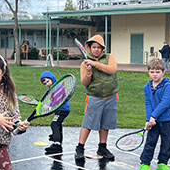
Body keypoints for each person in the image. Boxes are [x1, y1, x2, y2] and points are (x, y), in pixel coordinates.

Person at [75, 34, 117, 162]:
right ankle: (80, 148)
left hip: (110, 96)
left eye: (99, 47)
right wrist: (88, 70)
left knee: (106, 124)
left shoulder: (109, 57)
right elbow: (84, 82)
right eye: (94, 47)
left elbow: (112, 70)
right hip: (95, 97)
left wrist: (95, 64)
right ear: (89, 48)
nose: (96, 50)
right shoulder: (85, 63)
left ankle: (102, 147)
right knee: (88, 123)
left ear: (103, 48)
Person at [139, 58, 170, 170]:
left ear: (163, 72)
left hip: (168, 120)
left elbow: (165, 103)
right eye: (152, 71)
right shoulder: (147, 87)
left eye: (157, 71)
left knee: (166, 144)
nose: (154, 74)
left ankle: (162, 165)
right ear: (148, 72)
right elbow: (148, 103)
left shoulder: (168, 86)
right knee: (150, 143)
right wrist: (148, 119)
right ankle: (144, 165)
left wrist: (153, 116)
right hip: (153, 122)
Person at [40, 70, 70, 155]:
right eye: (45, 83)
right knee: (58, 124)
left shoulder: (58, 87)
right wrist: (49, 105)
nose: (47, 84)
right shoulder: (53, 88)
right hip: (60, 109)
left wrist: (50, 107)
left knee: (54, 124)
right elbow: (53, 100)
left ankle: (57, 144)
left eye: (48, 81)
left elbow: (57, 100)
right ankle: (58, 139)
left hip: (63, 110)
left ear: (52, 78)